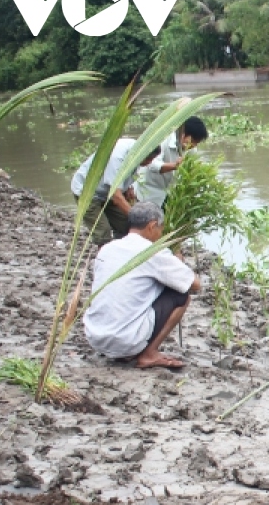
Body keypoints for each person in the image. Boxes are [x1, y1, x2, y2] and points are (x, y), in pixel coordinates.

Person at [83, 202, 201, 370]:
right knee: (180, 295)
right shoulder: (152, 252)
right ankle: (149, 354)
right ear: (152, 226)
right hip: (125, 340)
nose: (161, 234)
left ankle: (127, 348)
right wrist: (177, 261)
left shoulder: (107, 248)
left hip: (95, 336)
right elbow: (194, 285)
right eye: (161, 229)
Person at [71, 138, 161, 246]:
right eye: (149, 159)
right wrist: (139, 219)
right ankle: (105, 258)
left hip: (107, 191)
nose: (149, 163)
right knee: (103, 233)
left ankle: (122, 254)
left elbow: (123, 178)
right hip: (87, 191)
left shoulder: (136, 149)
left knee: (126, 225)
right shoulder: (117, 157)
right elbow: (116, 197)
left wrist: (128, 187)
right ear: (142, 154)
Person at [138, 116, 209, 208]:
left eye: (197, 143)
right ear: (183, 134)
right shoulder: (163, 139)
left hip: (169, 192)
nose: (194, 145)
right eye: (193, 141)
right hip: (149, 191)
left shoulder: (191, 149)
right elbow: (152, 164)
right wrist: (175, 166)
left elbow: (191, 171)